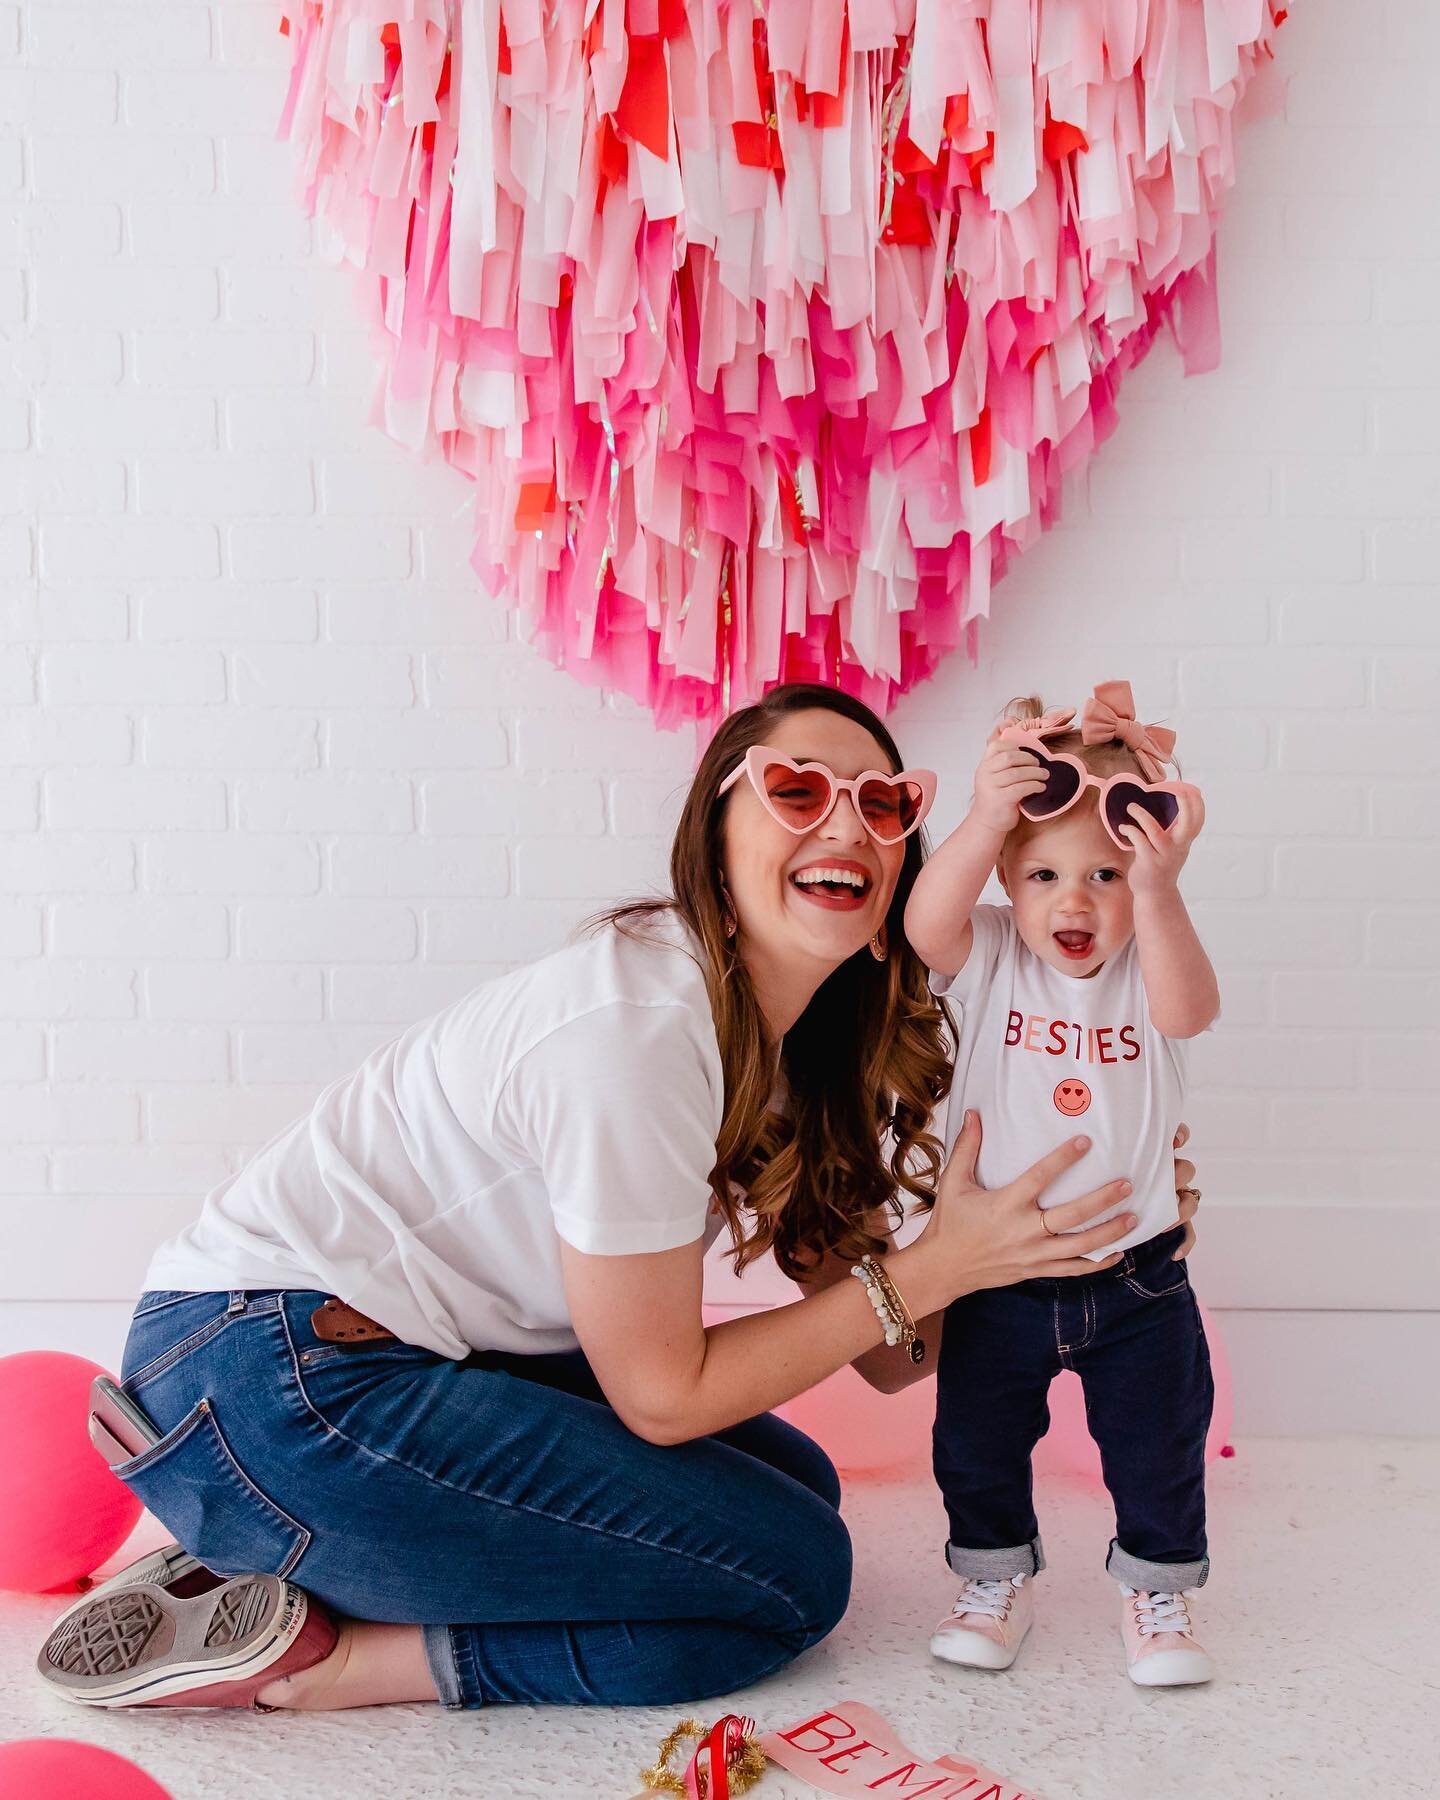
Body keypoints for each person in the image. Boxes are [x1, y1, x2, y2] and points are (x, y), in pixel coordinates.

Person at [37, 682, 1199, 1715]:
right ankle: (336, 1652)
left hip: (371, 1362)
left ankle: (271, 1551)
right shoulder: (639, 1024)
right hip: (266, 1373)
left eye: (883, 804)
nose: (845, 821)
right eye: (797, 790)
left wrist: (1081, 1237)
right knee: (789, 1577)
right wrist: (941, 1263)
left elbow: (899, 1354)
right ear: (716, 828)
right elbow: (660, 1395)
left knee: (790, 1481)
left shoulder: (794, 1044)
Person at [905, 682, 1218, 1687]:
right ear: (1007, 879)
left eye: (1106, 874)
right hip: (1001, 1277)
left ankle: (1157, 1590)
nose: (1073, 902)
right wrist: (988, 812)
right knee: (978, 1441)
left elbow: (1189, 1012)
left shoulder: (1145, 962)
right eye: (1041, 874)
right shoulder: (994, 955)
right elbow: (923, 925)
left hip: (1140, 1282)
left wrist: (1162, 895)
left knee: (1159, 1444)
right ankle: (995, 1578)